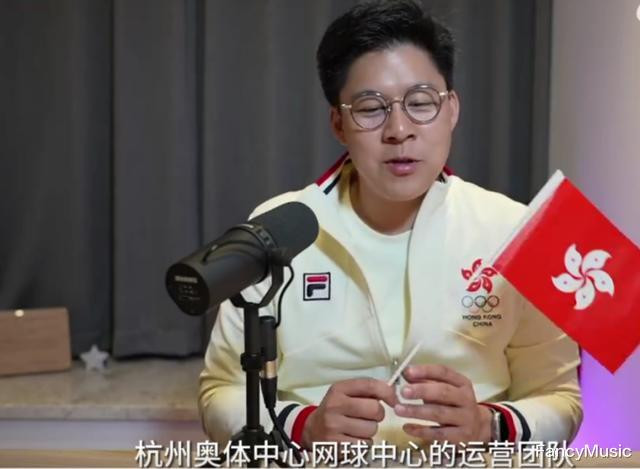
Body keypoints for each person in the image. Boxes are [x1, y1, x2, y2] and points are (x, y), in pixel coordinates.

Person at [199, 0, 582, 454]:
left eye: (420, 103)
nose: (399, 129)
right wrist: (303, 426)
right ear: (339, 123)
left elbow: (560, 400)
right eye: (370, 108)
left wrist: (490, 425)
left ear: (452, 109)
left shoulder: (514, 229)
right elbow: (219, 393)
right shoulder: (278, 228)